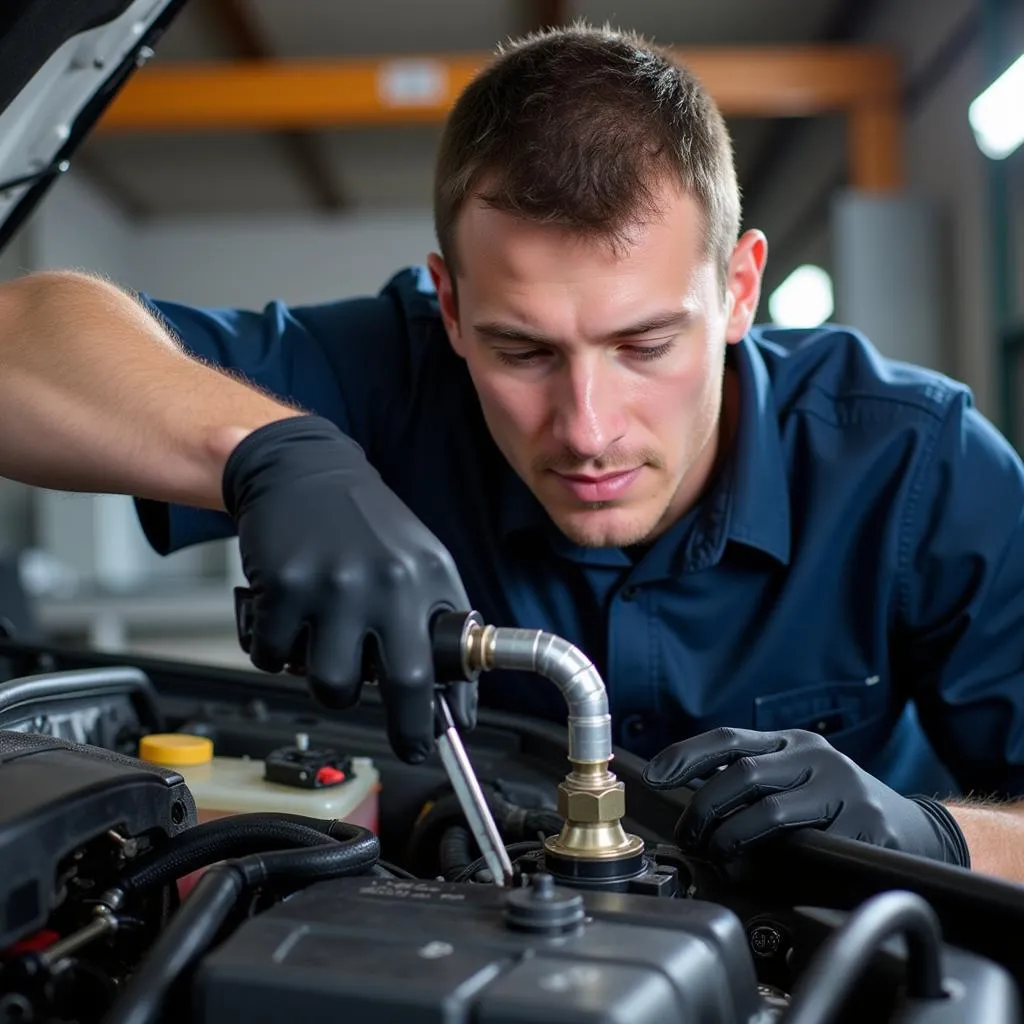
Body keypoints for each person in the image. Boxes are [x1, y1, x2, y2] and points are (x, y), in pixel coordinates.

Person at [1, 23, 1022, 882]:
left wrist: (927, 832)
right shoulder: (388, 375)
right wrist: (264, 447)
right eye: (521, 349)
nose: (585, 427)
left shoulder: (914, 466)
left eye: (644, 345)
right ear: (449, 306)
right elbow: (23, 335)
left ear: (739, 291)